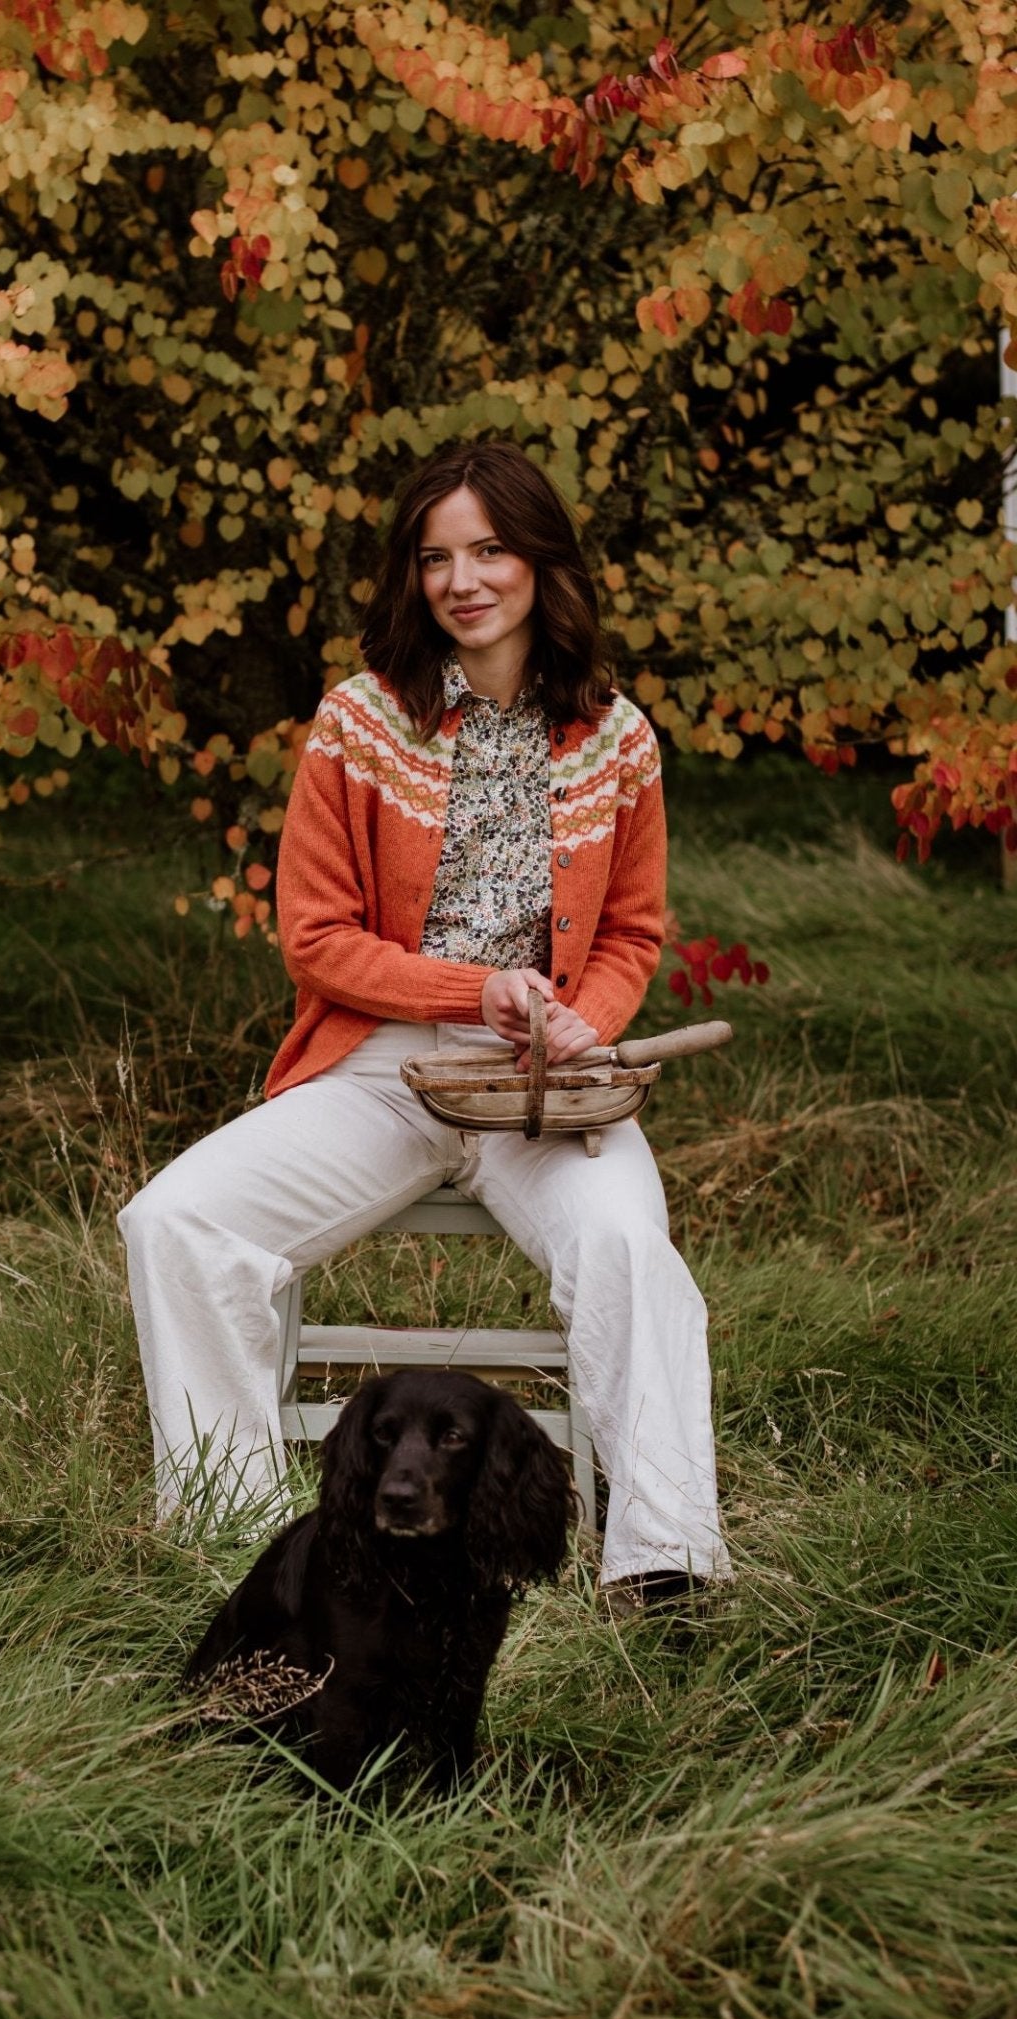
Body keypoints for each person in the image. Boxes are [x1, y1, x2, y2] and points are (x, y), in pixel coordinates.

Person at [117, 439, 731, 1603]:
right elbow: (318, 939)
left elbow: (633, 933)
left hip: (547, 1085)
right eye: (438, 555)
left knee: (626, 1248)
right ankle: (241, 1538)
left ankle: (662, 1559)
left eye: (492, 548)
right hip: (377, 1071)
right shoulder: (358, 724)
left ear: (542, 562)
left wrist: (581, 1028)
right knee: (176, 1222)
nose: (465, 579)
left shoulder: (619, 736)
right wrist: (473, 988)